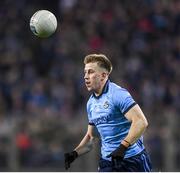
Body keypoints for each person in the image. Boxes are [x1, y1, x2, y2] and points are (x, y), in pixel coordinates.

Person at [64, 54, 152, 172]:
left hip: (132, 159)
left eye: (90, 72)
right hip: (108, 162)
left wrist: (123, 147)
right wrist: (75, 153)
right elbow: (92, 137)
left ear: (103, 75)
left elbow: (141, 122)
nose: (85, 77)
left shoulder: (118, 94)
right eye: (85, 72)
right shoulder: (91, 104)